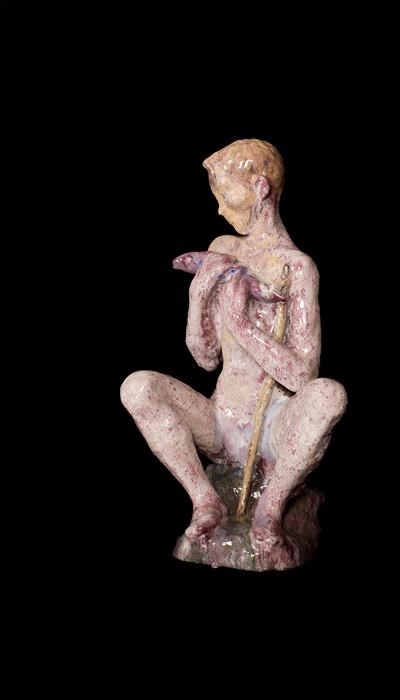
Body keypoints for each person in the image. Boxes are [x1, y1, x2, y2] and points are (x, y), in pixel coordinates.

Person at [120, 139, 347, 569]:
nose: (220, 209)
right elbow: (205, 358)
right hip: (222, 421)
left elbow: (303, 377)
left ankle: (270, 510)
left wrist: (243, 327)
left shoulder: (297, 268)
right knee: (138, 387)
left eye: (226, 196)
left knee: (329, 395)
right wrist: (198, 296)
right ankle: (205, 501)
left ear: (260, 188)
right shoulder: (223, 248)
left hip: (275, 430)